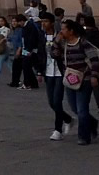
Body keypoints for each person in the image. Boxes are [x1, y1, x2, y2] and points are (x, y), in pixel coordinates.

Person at [51, 19, 99, 146]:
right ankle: (92, 122)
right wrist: (56, 41)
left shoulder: (83, 43)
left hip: (84, 79)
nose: (61, 31)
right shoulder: (64, 44)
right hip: (70, 80)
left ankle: (83, 137)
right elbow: (53, 54)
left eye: (63, 29)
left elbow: (94, 59)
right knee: (74, 108)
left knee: (81, 108)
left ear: (71, 31)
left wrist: (94, 76)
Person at [36, 12, 74, 141]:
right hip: (48, 71)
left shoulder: (61, 35)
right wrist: (39, 71)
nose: (43, 24)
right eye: (42, 21)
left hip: (60, 71)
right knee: (51, 103)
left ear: (52, 23)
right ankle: (68, 119)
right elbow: (40, 54)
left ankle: (58, 130)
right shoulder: (41, 36)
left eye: (46, 21)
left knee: (57, 101)